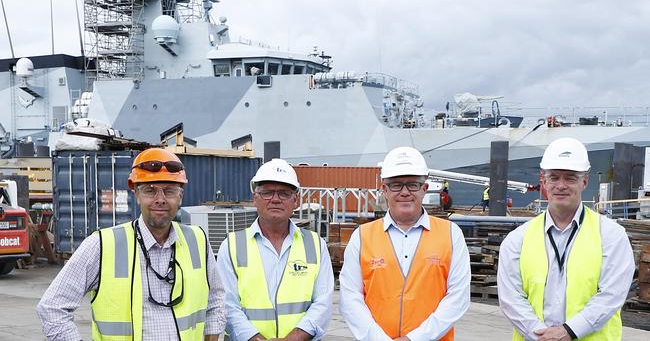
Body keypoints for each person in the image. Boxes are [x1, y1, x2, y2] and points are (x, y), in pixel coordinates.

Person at [37, 148, 226, 340]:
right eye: (150, 190)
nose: (160, 199)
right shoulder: (102, 245)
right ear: (136, 193)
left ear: (180, 196)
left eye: (169, 191)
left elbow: (216, 298)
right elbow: (52, 307)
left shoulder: (197, 240)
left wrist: (212, 335)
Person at [497, 137, 634, 341]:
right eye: (554, 177)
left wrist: (568, 331)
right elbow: (511, 298)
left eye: (570, 178)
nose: (561, 185)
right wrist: (541, 335)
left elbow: (611, 295)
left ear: (584, 182)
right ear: (543, 181)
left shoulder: (612, 236)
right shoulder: (518, 239)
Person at [339, 146, 471, 340]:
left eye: (413, 184)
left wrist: (415, 338)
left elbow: (458, 298)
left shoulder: (451, 234)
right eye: (396, 185)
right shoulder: (362, 237)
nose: (405, 192)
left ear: (424, 189)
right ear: (384, 190)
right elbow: (350, 298)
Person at [216, 159, 334, 340]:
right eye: (267, 193)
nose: (276, 199)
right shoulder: (232, 246)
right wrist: (254, 338)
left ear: (296, 200)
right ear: (255, 198)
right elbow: (227, 305)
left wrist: (294, 338)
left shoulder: (315, 245)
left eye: (284, 193)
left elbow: (323, 303)